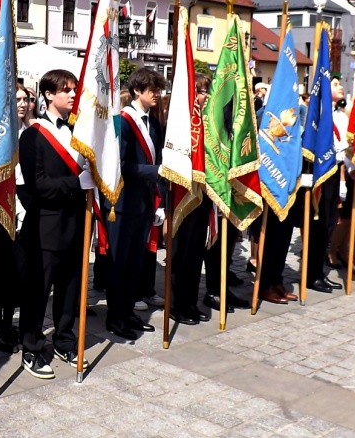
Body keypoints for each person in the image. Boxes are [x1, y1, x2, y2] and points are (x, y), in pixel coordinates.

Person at [16, 70, 93, 378]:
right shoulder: (33, 134)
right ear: (48, 95)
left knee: (70, 289)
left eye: (74, 89)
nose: (73, 95)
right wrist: (76, 183)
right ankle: (31, 348)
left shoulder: (79, 131)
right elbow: (36, 184)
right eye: (66, 90)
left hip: (77, 221)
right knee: (38, 291)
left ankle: (64, 340)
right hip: (45, 226)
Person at [104, 67, 166, 340]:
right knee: (119, 263)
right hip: (122, 203)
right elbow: (120, 165)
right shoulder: (123, 121)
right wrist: (156, 171)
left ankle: (128, 311)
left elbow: (156, 158)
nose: (157, 95)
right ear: (137, 91)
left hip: (143, 203)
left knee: (135, 263)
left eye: (159, 90)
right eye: (152, 90)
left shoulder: (153, 122)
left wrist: (159, 199)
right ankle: (115, 317)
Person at [170, 74, 216, 324]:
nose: (205, 96)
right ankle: (177, 305)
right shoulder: (180, 122)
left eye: (207, 91)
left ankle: (190, 302)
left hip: (203, 195)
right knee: (182, 254)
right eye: (201, 92)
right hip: (184, 196)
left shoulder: (210, 122)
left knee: (196, 255)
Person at [0, 84, 30, 353]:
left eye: (26, 99)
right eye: (17, 99)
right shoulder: (0, 134)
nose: (23, 104)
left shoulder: (30, 131)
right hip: (4, 205)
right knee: (2, 273)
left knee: (19, 273)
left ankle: (8, 323)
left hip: (27, 203)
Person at [305, 74, 348, 294]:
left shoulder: (340, 116)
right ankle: (311, 274)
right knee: (319, 226)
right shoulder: (318, 115)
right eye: (335, 84)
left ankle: (319, 271)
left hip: (335, 173)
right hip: (320, 175)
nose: (340, 87)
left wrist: (344, 178)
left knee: (330, 224)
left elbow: (343, 149)